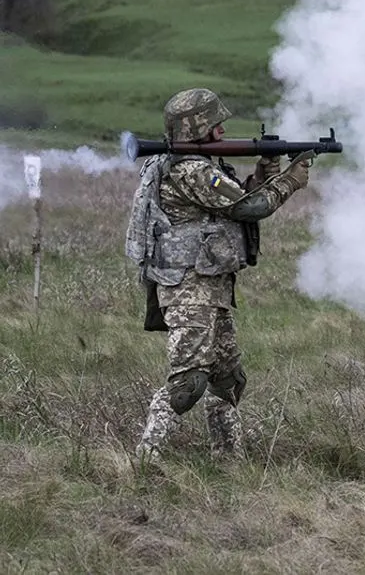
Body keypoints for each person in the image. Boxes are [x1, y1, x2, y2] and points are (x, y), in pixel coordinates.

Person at [125, 87, 312, 463]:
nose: (224, 131)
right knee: (188, 383)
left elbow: (229, 205)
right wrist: (292, 179)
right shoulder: (190, 169)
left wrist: (263, 172)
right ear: (198, 128)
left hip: (211, 285)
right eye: (217, 124)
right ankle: (146, 457)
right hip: (189, 288)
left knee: (227, 381)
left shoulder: (197, 165)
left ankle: (227, 459)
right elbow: (249, 207)